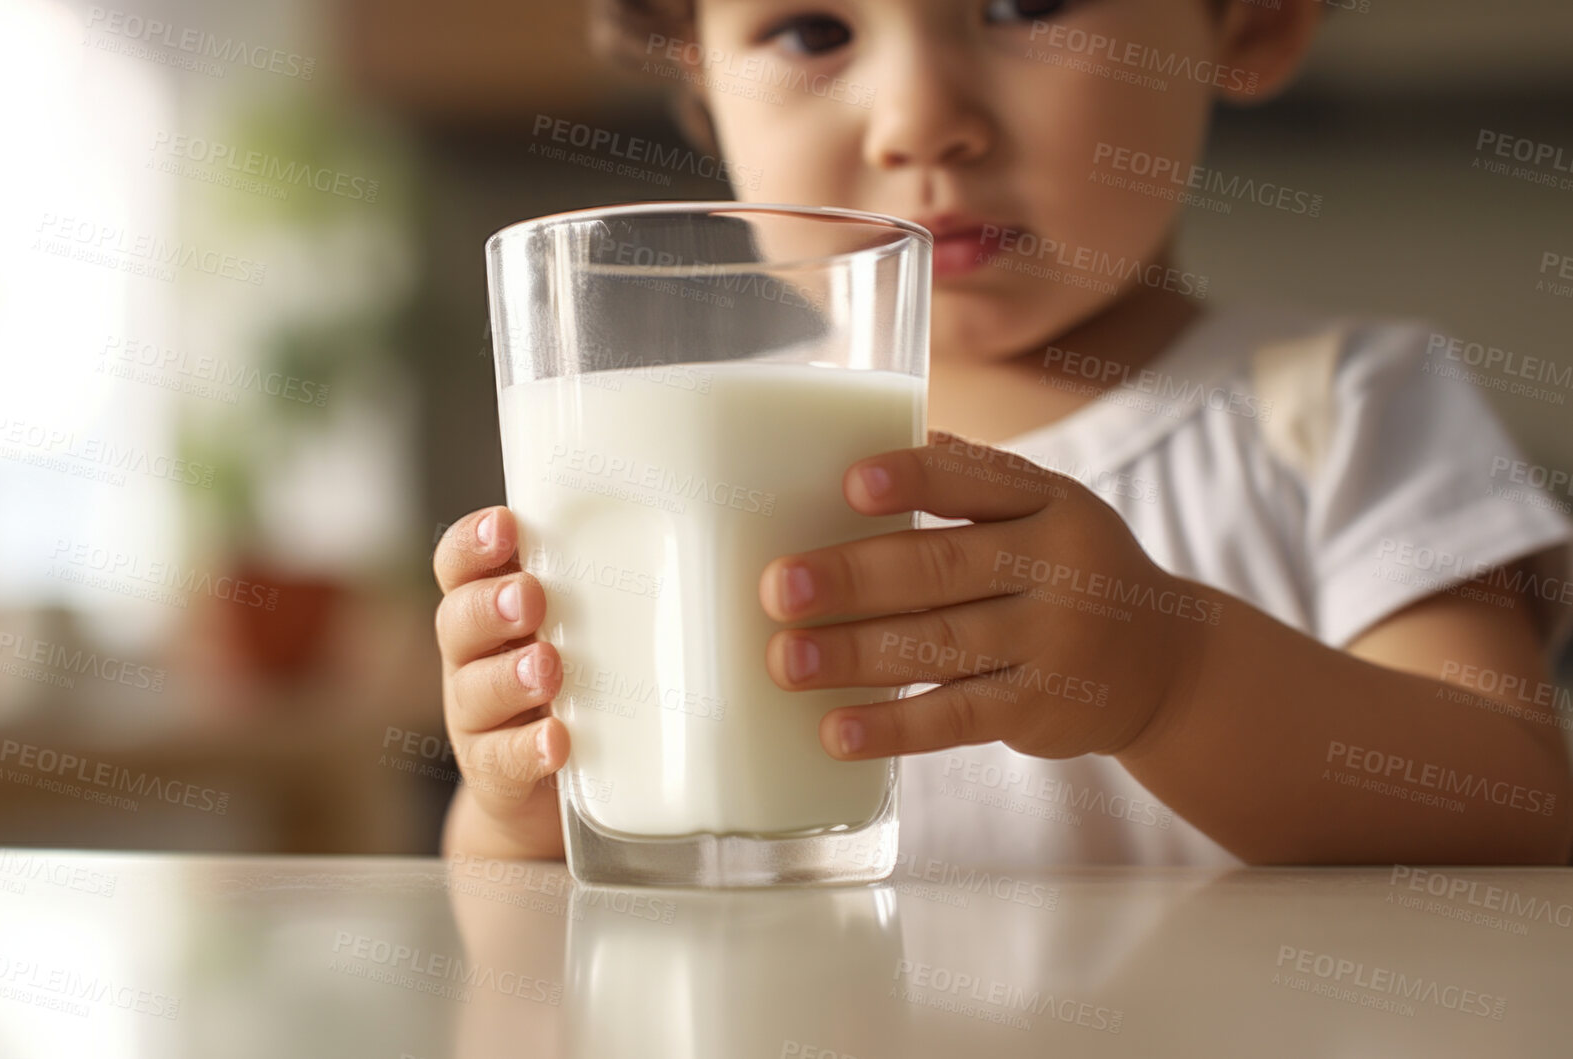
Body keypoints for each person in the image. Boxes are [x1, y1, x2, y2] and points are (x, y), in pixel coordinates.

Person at [431, 0, 1573, 866]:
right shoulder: (669, 449)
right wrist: (518, 805)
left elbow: (1515, 807)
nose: (920, 119)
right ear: (697, 87)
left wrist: (1167, 678)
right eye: (811, 28)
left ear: (1252, 21)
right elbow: (528, 930)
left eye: (1024, 5)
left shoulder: (1353, 403)